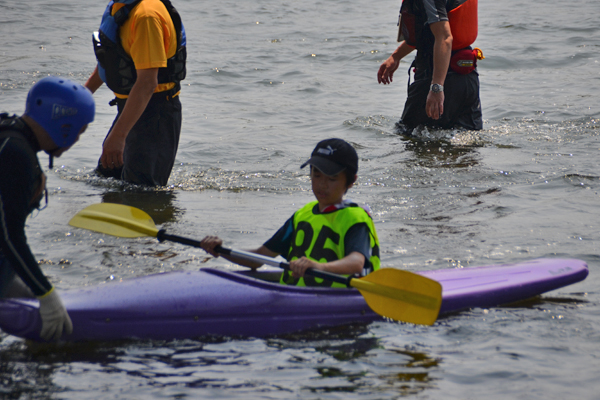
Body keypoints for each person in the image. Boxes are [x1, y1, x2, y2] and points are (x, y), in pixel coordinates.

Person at [200, 138, 380, 287]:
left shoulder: (356, 219)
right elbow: (259, 258)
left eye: (332, 179)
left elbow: (356, 263)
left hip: (339, 300)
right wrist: (221, 250)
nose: (322, 185)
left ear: (351, 181)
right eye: (316, 175)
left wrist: (318, 266)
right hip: (299, 296)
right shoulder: (302, 216)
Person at [0, 76, 95, 341]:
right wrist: (46, 294)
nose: (77, 139)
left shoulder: (8, 131)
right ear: (63, 125)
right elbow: (8, 236)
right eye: (79, 130)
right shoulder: (16, 155)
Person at [85, 0, 186, 186]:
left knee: (140, 197)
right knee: (107, 186)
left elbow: (147, 83)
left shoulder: (146, 16)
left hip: (155, 115)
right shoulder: (122, 6)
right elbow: (112, 60)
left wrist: (118, 136)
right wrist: (82, 95)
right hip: (132, 110)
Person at [377, 0, 483, 135]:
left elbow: (444, 38)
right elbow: (430, 33)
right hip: (467, 78)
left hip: (438, 77)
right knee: (467, 145)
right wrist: (396, 57)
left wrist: (436, 87)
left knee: (409, 136)